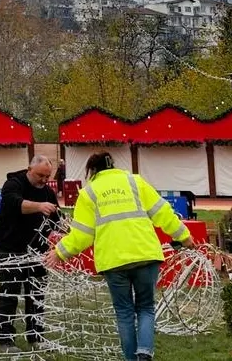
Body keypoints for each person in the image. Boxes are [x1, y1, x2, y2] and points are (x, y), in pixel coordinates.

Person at [48, 152, 191, 361]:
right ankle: (145, 351)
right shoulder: (136, 181)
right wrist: (184, 236)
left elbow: (82, 235)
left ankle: (131, 358)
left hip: (113, 262)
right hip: (146, 255)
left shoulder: (89, 193)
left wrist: (60, 252)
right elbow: (163, 212)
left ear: (92, 170)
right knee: (146, 307)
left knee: (124, 313)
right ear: (113, 165)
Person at [0, 155, 59, 352]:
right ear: (29, 169)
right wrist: (39, 206)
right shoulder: (13, 184)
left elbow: (55, 219)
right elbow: (15, 204)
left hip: (38, 250)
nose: (44, 180)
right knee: (9, 293)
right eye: (40, 175)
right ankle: (6, 340)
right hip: (10, 248)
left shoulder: (48, 191)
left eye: (47, 176)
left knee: (36, 294)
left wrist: (60, 234)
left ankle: (36, 336)